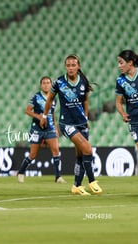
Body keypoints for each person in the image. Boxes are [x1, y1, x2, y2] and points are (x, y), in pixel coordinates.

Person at [40, 54, 102, 196]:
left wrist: (86, 118)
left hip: (81, 122)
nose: (71, 68)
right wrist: (44, 115)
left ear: (78, 66)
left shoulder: (83, 82)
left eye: (73, 65)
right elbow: (49, 100)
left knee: (80, 155)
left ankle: (76, 186)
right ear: (65, 67)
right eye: (68, 65)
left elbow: (85, 101)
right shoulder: (59, 82)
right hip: (66, 123)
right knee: (87, 149)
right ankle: (92, 181)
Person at [17, 76, 66, 183]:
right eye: (44, 83)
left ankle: (58, 177)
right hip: (36, 129)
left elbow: (52, 112)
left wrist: (55, 127)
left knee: (56, 151)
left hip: (50, 128)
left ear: (51, 85)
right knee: (33, 155)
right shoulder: (36, 97)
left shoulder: (54, 98)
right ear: (41, 85)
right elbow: (28, 110)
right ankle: (21, 172)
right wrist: (39, 117)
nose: (46, 84)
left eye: (48, 83)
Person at [115, 50, 138, 159]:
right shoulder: (120, 80)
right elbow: (118, 102)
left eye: (121, 62)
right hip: (136, 124)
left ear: (130, 63)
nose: (119, 66)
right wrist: (122, 113)